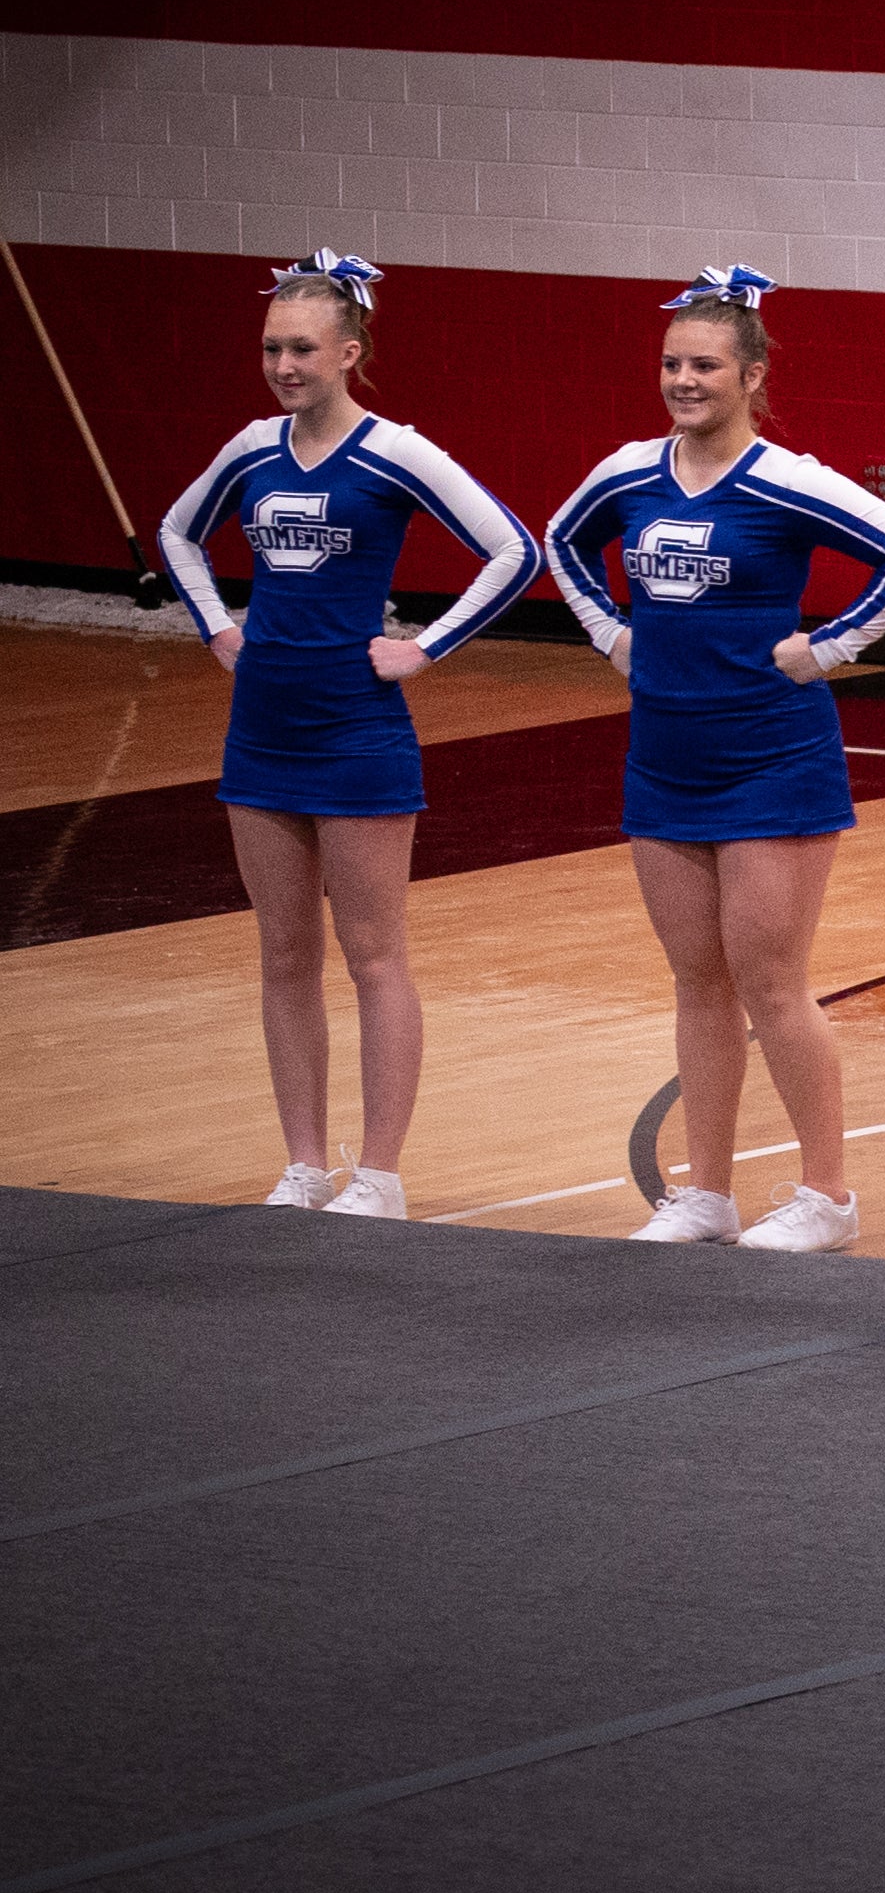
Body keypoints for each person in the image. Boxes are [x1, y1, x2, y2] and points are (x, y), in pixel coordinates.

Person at [539, 265, 885, 1254]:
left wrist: (832, 645)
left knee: (772, 981)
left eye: (706, 365)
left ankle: (828, 1195)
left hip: (773, 760)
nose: (684, 380)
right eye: (673, 363)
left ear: (752, 375)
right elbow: (558, 538)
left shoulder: (787, 482)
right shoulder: (631, 473)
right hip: (665, 757)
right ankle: (706, 1193)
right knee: (696, 981)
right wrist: (609, 631)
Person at [156, 253, 536, 1223]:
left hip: (361, 731)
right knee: (283, 953)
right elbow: (177, 531)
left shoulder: (394, 453)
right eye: (272, 347)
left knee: (374, 955)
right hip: (263, 730)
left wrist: (427, 647)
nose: (284, 364)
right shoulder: (250, 449)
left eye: (302, 347)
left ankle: (379, 1173)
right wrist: (219, 627)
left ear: (349, 353)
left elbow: (512, 548)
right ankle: (302, 1164)